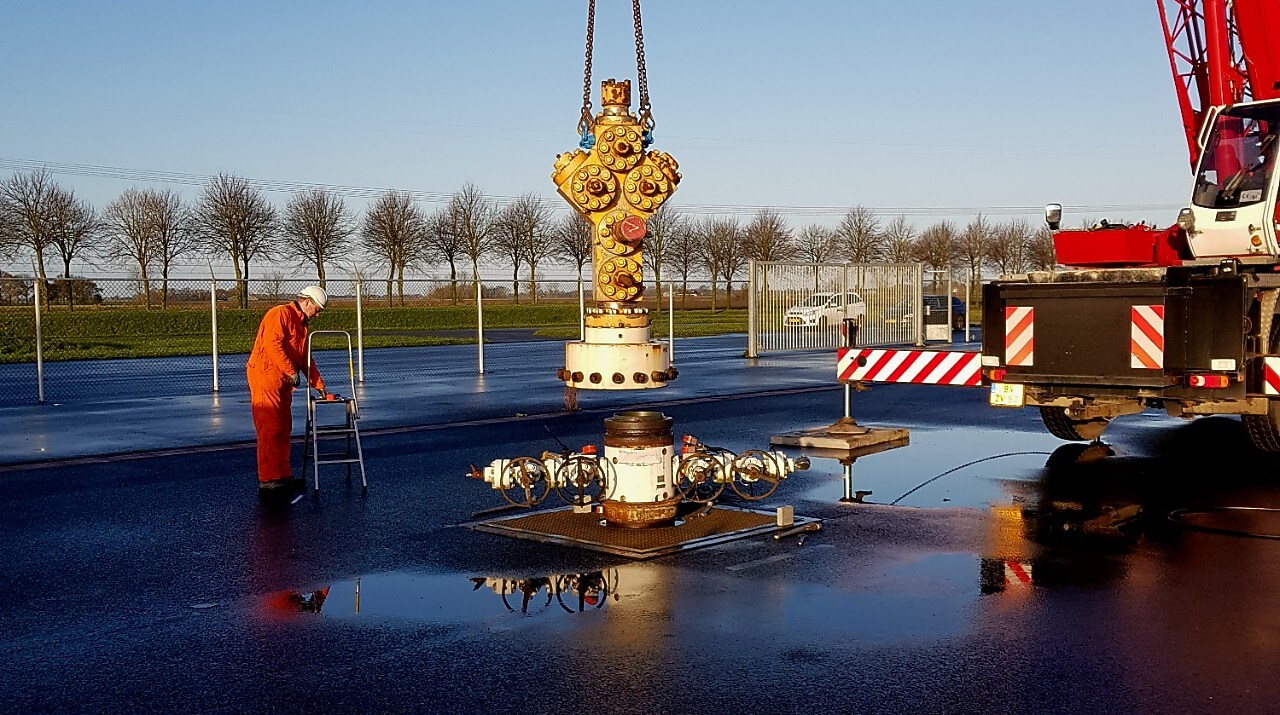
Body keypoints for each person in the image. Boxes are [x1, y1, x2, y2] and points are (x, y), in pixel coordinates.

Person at [247, 285, 328, 495]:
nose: (317, 314)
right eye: (317, 309)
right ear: (307, 302)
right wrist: (291, 371)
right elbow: (273, 344)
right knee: (270, 428)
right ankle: (268, 478)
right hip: (266, 376)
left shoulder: (301, 324)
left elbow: (304, 357)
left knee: (283, 427)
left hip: (282, 381)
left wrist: (317, 383)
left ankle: (282, 475)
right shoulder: (280, 314)